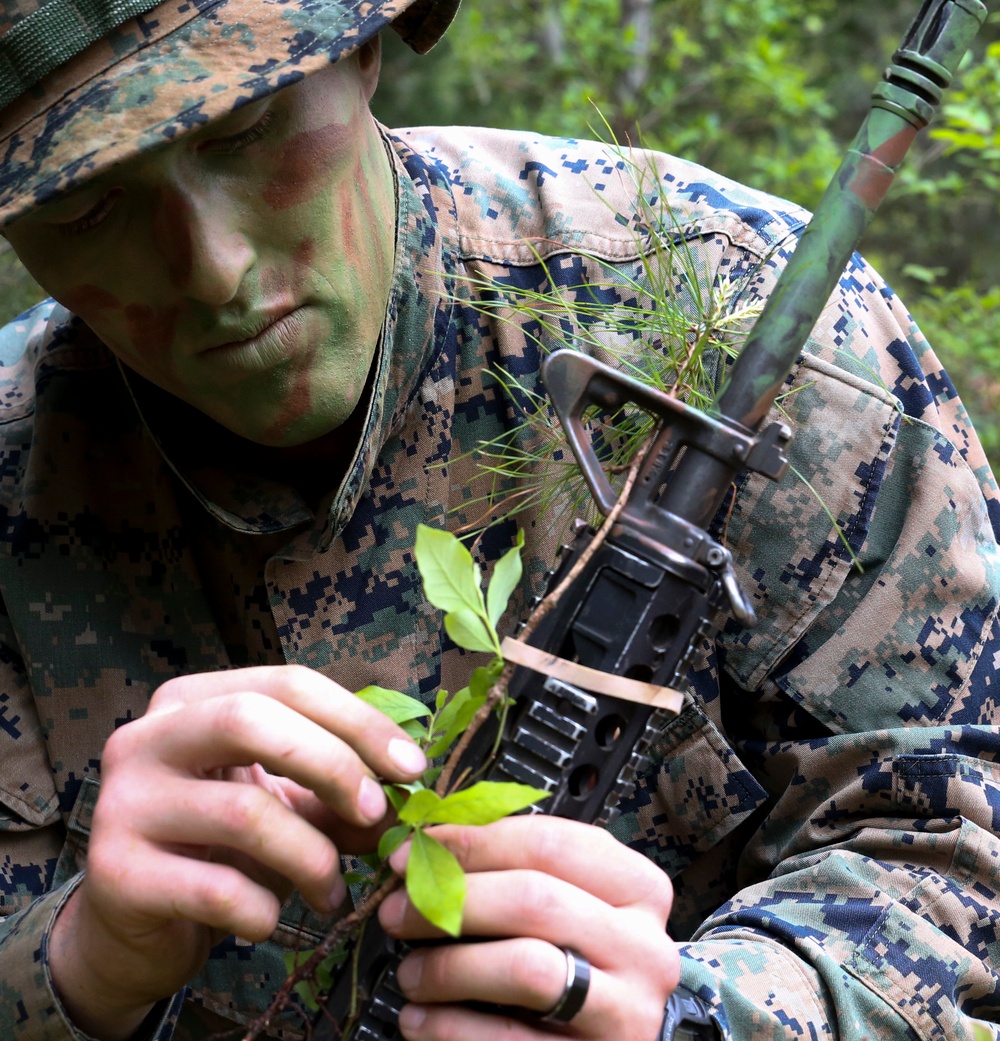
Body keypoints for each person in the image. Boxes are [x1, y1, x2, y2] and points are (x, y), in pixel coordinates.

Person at [0, 1, 997, 1039]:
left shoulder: (752, 321)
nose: (215, 270)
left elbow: (958, 848)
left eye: (241, 132)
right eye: (85, 207)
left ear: (363, 50)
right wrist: (74, 966)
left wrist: (699, 1019)